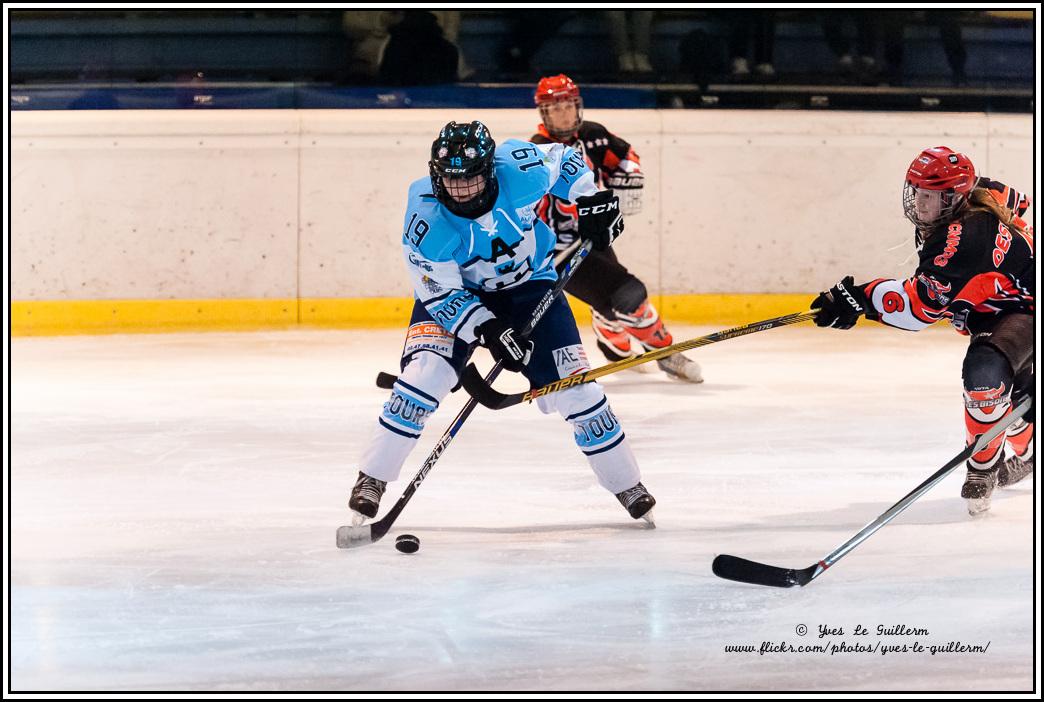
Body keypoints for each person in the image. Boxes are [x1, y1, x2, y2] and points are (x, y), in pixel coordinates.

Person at [349, 121, 656, 525]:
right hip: (461, 295)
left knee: (578, 388)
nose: (460, 192)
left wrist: (593, 200)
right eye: (451, 181)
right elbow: (439, 293)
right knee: (423, 379)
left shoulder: (520, 166)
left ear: (490, 170)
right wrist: (487, 329)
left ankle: (626, 483)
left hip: (531, 286)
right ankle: (372, 478)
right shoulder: (425, 219)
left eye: (471, 180)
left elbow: (566, 160)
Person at [811, 146, 1033, 515]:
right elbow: (1018, 203)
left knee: (985, 375)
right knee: (1017, 397)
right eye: (917, 192)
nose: (919, 202)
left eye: (929, 196)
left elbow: (919, 308)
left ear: (952, 198)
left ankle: (982, 465)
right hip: (1001, 306)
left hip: (1026, 309)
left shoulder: (966, 237)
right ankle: (1031, 452)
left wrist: (858, 299)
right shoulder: (979, 194)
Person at [529, 74, 703, 383]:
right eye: (555, 109)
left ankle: (615, 350)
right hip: (558, 252)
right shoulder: (538, 152)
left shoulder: (593, 136)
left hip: (595, 237)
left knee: (610, 304)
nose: (564, 114)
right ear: (544, 113)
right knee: (628, 294)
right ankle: (666, 353)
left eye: (568, 106)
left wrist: (630, 174)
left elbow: (624, 155)